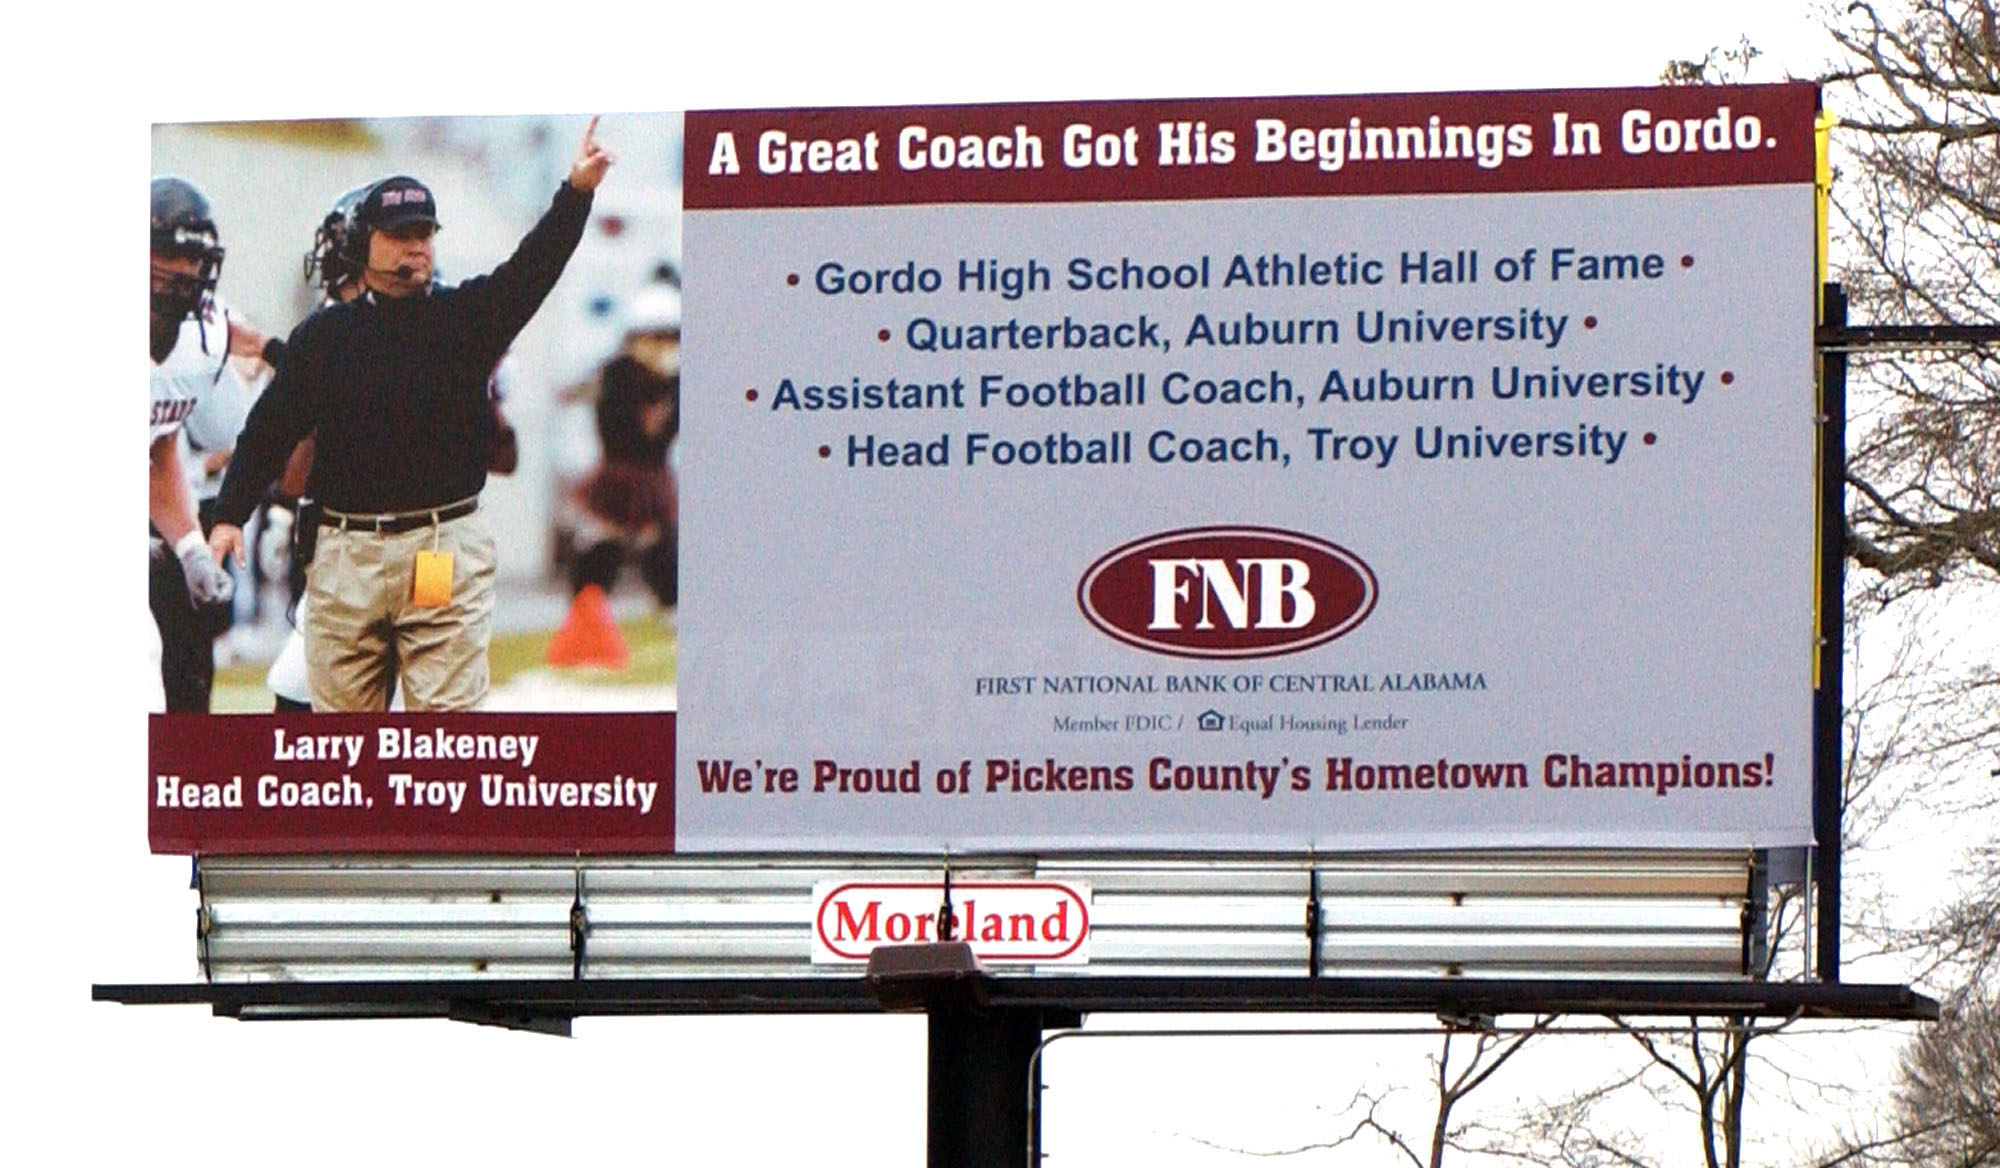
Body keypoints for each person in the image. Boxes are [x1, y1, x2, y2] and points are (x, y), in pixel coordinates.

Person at [210, 118, 614, 712]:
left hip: (439, 546)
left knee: (443, 740)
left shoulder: (468, 317)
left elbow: (534, 269)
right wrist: (229, 514)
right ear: (365, 242)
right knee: (343, 749)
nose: (416, 244)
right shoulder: (324, 337)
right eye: (400, 233)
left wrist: (576, 192)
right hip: (348, 552)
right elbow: (270, 428)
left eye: (424, 232)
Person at [264, 181, 525, 712]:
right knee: (308, 696)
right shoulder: (333, 333)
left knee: (320, 700)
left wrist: (282, 509)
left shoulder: (435, 314)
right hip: (365, 550)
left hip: (413, 549)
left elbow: (498, 451)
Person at [149, 175, 270, 711]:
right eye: (164, 260)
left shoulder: (200, 338)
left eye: (190, 264)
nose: (181, 276)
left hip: (169, 513)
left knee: (170, 691)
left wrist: (191, 549)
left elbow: (157, 454)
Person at [568, 278, 680, 612]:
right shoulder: (617, 375)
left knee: (659, 544)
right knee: (603, 540)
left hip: (653, 474)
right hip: (619, 474)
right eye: (656, 336)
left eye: (670, 337)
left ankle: (671, 607)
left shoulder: (675, 380)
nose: (664, 345)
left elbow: (665, 435)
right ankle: (586, 612)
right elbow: (617, 430)